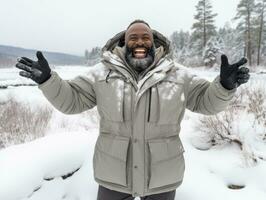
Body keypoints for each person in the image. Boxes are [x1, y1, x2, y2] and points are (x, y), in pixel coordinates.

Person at [15, 19, 250, 200]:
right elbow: (72, 100)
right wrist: (48, 80)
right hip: (113, 176)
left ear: (155, 43)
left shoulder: (178, 75)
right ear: (124, 43)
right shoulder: (101, 73)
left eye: (145, 37)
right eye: (133, 37)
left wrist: (224, 86)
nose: (139, 41)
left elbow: (206, 101)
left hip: (163, 177)